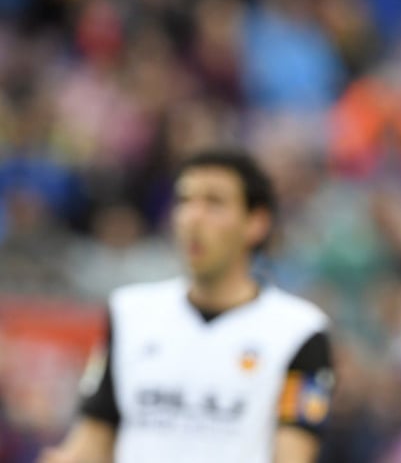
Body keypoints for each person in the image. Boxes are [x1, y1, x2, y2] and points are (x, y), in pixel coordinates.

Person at [38, 148, 335, 463]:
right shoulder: (130, 314)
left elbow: (294, 454)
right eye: (185, 201)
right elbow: (94, 436)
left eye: (214, 203)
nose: (194, 217)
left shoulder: (299, 331)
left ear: (256, 222)